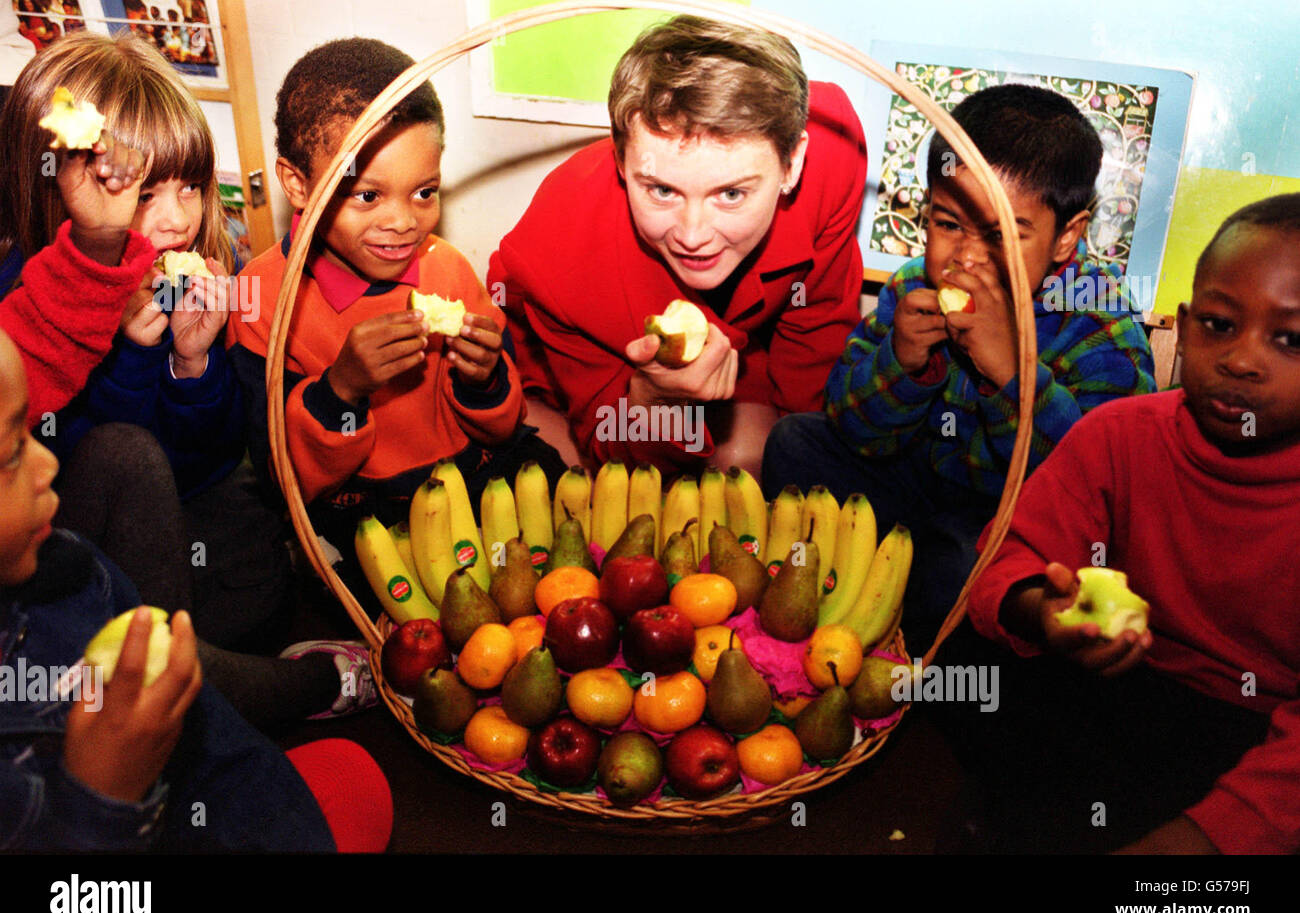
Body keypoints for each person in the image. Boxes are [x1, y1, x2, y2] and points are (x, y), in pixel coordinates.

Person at [0, 31, 365, 726]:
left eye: (189, 188)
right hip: (58, 522)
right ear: (59, 196)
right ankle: (220, 695)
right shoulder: (27, 307)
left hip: (172, 503)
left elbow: (207, 462)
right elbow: (75, 460)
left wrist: (191, 366)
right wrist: (133, 362)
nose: (174, 220)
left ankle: (188, 657)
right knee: (124, 458)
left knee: (254, 571)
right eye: (138, 194)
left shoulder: (195, 267)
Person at [956, 194, 1300, 854]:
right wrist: (1043, 610)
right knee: (974, 666)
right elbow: (1009, 560)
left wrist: (1199, 839)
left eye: (1291, 339)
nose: (1243, 360)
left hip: (1259, 731)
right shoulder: (1120, 435)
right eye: (1221, 326)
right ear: (1184, 324)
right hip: (1116, 681)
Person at [763, 83, 1157, 652]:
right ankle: (833, 593)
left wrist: (1012, 375)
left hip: (1012, 522)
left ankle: (915, 635)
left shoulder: (1099, 322)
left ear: (1067, 236)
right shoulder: (913, 290)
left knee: (961, 576)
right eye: (948, 224)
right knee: (797, 441)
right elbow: (855, 430)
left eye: (1001, 235)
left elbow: (1099, 491)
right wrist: (903, 363)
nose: (967, 257)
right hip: (916, 489)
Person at [0, 326, 393, 851]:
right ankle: (305, 685)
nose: (47, 463)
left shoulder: (71, 566)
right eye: (10, 455)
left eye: (28, 431)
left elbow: (220, 744)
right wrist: (102, 800)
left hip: (197, 794)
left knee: (349, 777)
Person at [229, 38, 564, 582]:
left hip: (469, 469)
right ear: (297, 183)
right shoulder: (263, 298)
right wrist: (342, 389)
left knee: (550, 485)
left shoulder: (445, 268)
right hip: (363, 503)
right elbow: (281, 476)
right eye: (368, 196)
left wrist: (483, 379)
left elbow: (504, 424)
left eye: (424, 192)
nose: (404, 222)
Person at [487, 15, 868, 478]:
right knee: (576, 477)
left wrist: (807, 455)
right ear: (622, 159)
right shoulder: (550, 254)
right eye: (662, 190)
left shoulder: (834, 147)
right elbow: (607, 439)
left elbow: (817, 322)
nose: (693, 235)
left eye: (731, 194)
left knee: (756, 462)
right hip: (583, 373)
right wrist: (653, 400)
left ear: (793, 163)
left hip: (747, 344)